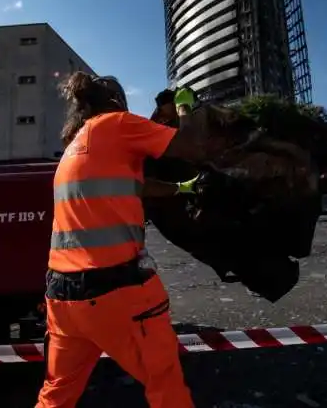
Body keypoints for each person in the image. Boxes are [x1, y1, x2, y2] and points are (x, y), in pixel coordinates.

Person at [35, 73, 206, 408]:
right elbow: (192, 146)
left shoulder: (76, 143)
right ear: (117, 102)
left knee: (57, 394)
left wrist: (179, 189)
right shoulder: (118, 124)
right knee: (165, 386)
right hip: (116, 291)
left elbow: (135, 187)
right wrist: (186, 108)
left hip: (63, 297)